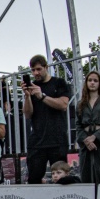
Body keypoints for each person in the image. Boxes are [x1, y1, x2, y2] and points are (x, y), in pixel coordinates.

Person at [22, 55, 71, 183]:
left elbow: (63, 104)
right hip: (37, 141)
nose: (36, 73)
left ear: (46, 67)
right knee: (34, 178)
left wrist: (42, 96)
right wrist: (27, 96)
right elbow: (27, 114)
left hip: (57, 140)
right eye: (33, 70)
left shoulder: (59, 83)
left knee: (61, 179)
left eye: (39, 69)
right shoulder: (33, 86)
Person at [76, 70, 100, 184]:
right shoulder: (80, 103)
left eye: (95, 81)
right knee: (86, 175)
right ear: (86, 83)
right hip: (85, 141)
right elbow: (78, 125)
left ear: (99, 83)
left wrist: (95, 137)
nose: (92, 83)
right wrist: (86, 140)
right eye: (90, 80)